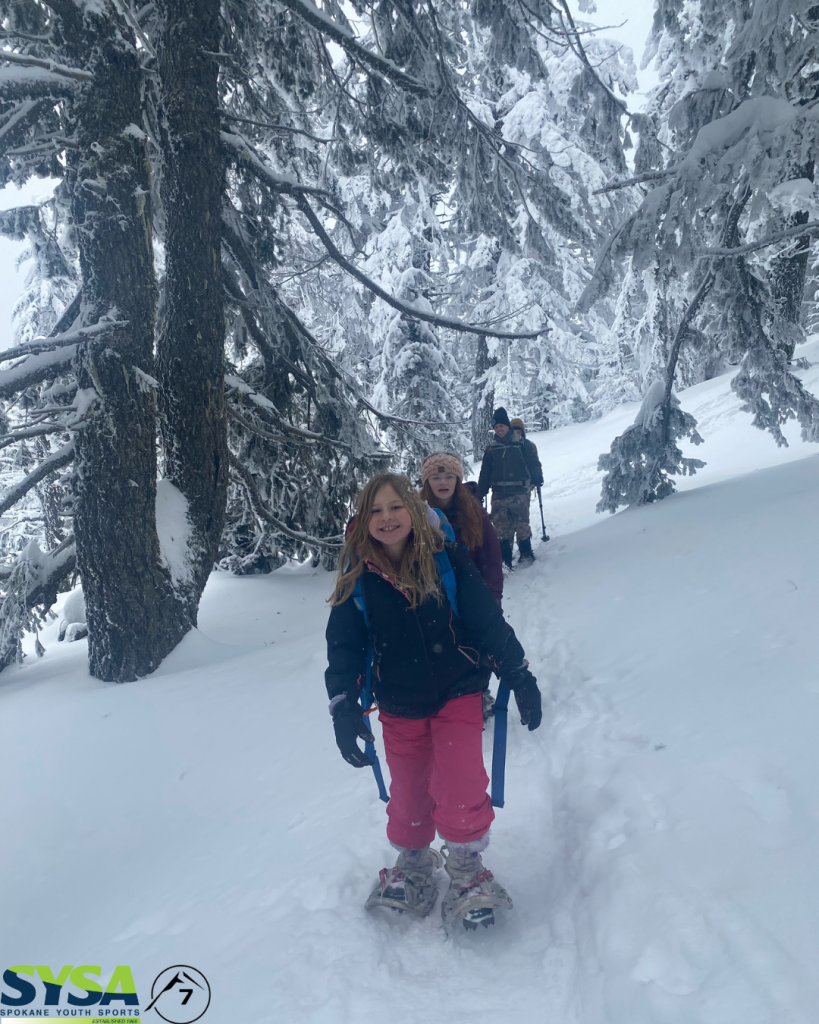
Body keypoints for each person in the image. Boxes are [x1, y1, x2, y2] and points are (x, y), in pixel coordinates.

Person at [325, 472, 541, 929]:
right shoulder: (357, 574)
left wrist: (518, 673)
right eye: (376, 510)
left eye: (395, 507)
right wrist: (343, 704)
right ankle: (414, 863)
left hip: (457, 691)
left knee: (461, 783)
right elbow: (343, 646)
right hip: (397, 703)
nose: (387, 518)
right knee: (408, 790)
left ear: (413, 510)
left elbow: (486, 619)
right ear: (364, 519)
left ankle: (466, 868)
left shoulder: (446, 557)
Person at [419, 451, 503, 721]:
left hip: (473, 594)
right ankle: (452, 698)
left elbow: (491, 557)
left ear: (458, 479)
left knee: (479, 645)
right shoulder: (417, 513)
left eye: (449, 476)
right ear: (427, 481)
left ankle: (480, 693)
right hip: (435, 597)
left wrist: (493, 596)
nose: (442, 482)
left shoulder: (475, 511)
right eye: (435, 477)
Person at [477, 407, 543, 569]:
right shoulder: (491, 449)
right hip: (498, 493)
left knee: (521, 524)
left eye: (502, 426)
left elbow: (533, 463)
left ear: (508, 426)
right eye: (496, 427)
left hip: (520, 492)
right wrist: (480, 493)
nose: (499, 429)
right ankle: (504, 558)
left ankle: (526, 553)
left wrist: (537, 476)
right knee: (500, 526)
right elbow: (485, 473)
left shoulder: (522, 444)